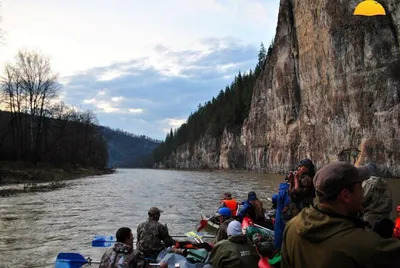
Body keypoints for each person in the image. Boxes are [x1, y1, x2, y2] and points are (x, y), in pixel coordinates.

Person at [281, 161, 400, 268]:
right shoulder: (363, 244)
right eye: (360, 188)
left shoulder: (291, 227)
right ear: (346, 195)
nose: (363, 193)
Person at [360, 162, 393, 229]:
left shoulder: (368, 183)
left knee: (370, 237)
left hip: (371, 218)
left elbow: (362, 200)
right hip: (385, 217)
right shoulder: (385, 184)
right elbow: (389, 201)